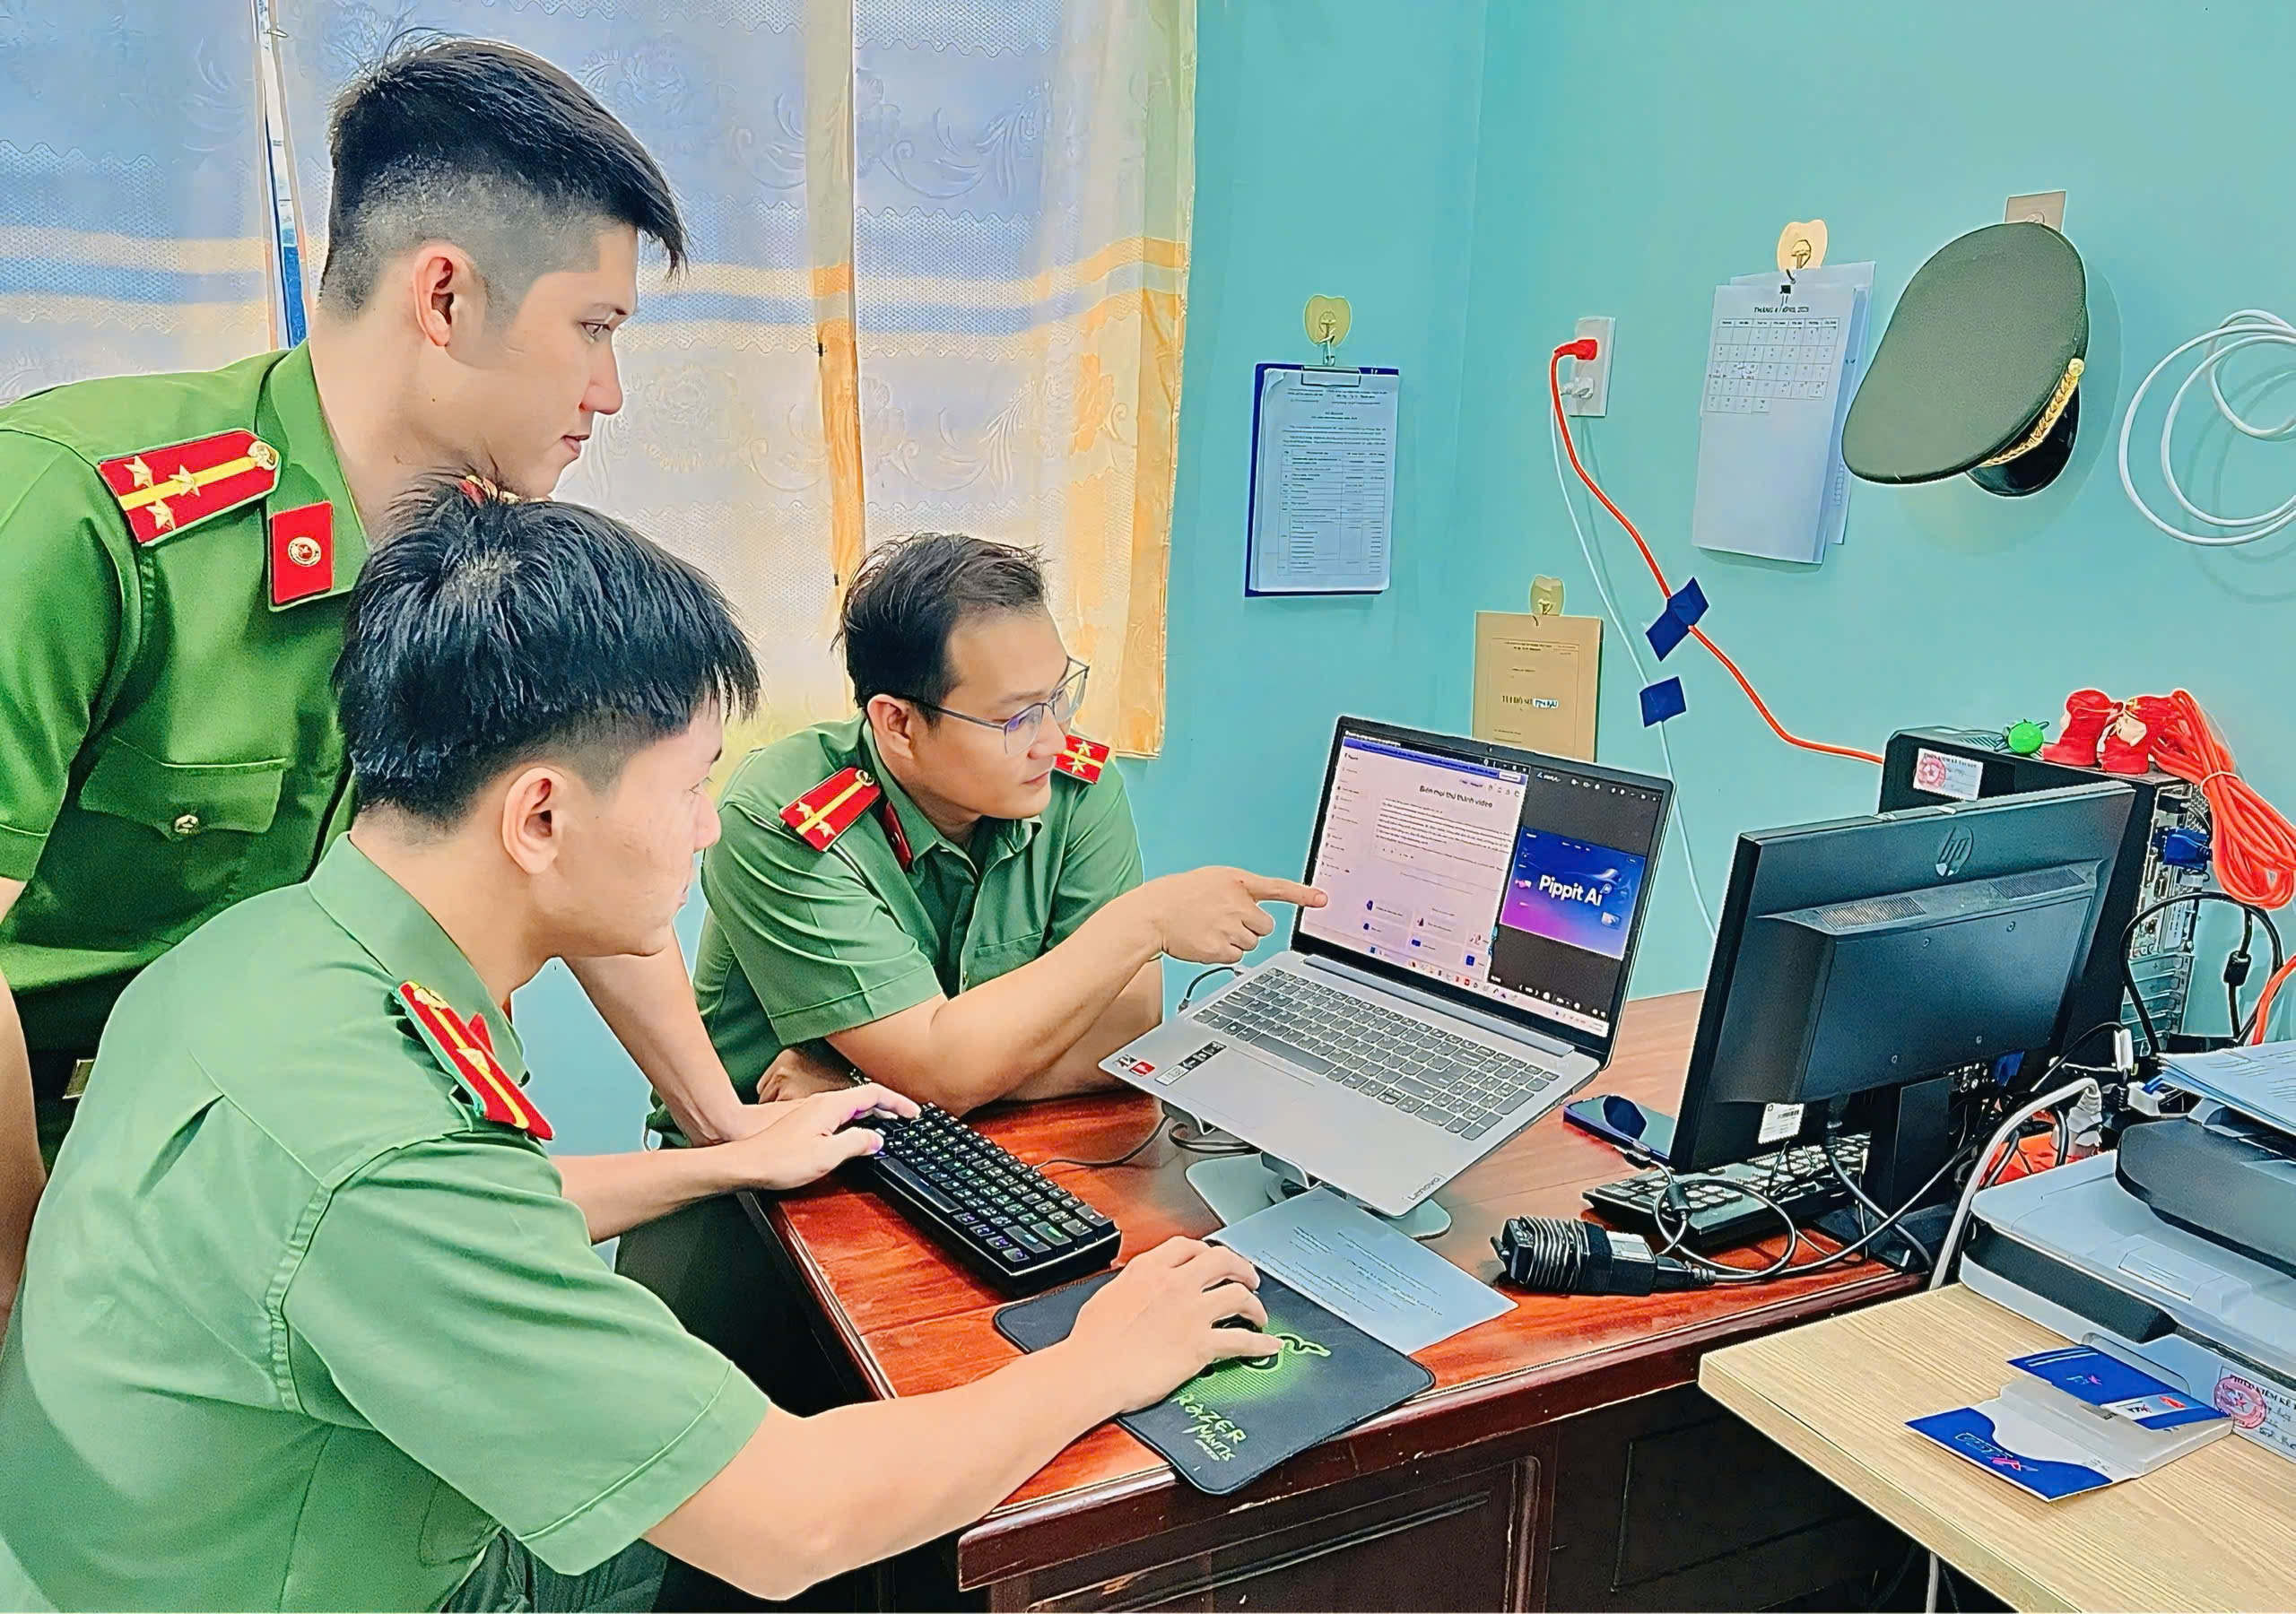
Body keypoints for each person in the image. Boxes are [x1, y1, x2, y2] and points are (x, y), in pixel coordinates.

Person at [0, 484, 1282, 1613]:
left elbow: (440, 1216)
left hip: (178, 1547)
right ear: (542, 817)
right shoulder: (380, 1152)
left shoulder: (262, 957)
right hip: (387, 1579)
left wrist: (719, 1162)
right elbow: (787, 1522)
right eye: (688, 787)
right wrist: (1104, 1360)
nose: (709, 829)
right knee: (872, 1533)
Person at [0, 36, 764, 1340]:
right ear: (447, 296)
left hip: (293, 1172)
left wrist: (727, 1126)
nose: (610, 392)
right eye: (594, 329)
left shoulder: (484, 556)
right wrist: (24, 1286)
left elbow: (577, 844)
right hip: (76, 1192)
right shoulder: (85, 515)